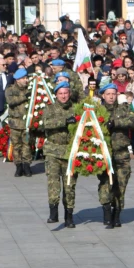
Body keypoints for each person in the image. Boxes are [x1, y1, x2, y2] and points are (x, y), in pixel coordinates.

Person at [99, 83, 134, 228]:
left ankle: (117, 213)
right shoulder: (98, 111)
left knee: (121, 185)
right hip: (104, 155)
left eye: (113, 94)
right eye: (108, 94)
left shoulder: (124, 108)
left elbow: (133, 122)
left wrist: (115, 122)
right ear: (103, 95)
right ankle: (107, 212)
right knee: (105, 185)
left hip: (121, 154)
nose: (111, 96)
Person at [43, 81, 78, 226]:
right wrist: (64, 121)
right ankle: (53, 212)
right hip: (53, 151)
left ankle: (69, 216)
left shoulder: (75, 109)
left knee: (70, 186)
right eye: (60, 93)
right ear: (56, 95)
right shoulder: (49, 109)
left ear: (69, 94)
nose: (63, 96)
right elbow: (46, 124)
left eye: (66, 93)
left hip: (70, 152)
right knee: (53, 183)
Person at [5, 68, 31, 177]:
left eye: (26, 78)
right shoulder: (10, 90)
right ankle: (18, 166)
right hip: (15, 123)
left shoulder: (30, 89)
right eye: (24, 78)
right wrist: (25, 96)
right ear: (18, 80)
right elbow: (11, 101)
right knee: (16, 146)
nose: (26, 80)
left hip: (26, 123)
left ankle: (27, 166)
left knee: (27, 145)